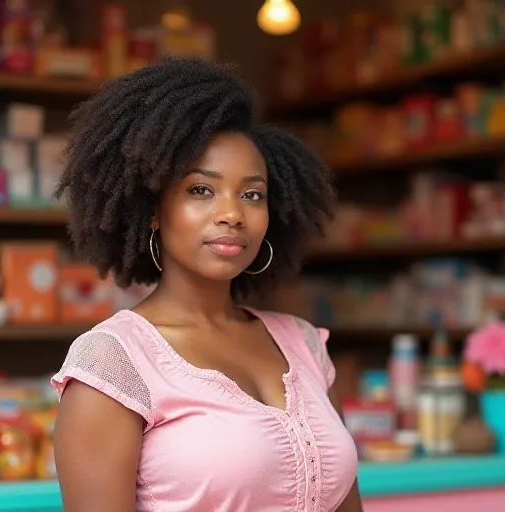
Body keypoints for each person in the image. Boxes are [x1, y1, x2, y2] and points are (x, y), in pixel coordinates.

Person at [51, 57, 363, 512]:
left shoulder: (303, 344)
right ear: (154, 209)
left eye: (252, 194)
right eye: (201, 190)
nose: (232, 213)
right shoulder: (114, 364)